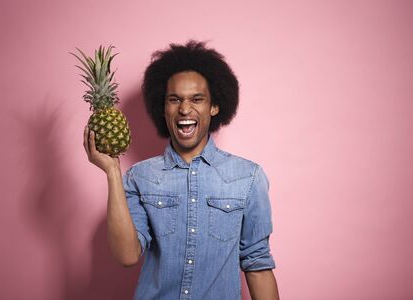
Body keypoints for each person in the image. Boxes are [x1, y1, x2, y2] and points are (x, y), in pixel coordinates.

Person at [83, 40, 279, 300]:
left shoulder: (249, 178)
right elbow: (127, 255)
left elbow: (258, 266)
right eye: (174, 99)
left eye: (197, 99)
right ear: (163, 108)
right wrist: (112, 171)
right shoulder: (139, 178)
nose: (185, 109)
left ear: (214, 106)